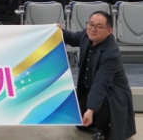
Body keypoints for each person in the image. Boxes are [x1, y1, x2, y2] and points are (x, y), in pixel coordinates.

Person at [58, 12, 136, 140]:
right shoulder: (86, 35)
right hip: (90, 89)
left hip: (112, 92)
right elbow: (72, 37)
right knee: (81, 123)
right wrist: (58, 31)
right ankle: (94, 117)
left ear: (109, 30)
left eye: (99, 27)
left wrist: (90, 110)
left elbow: (101, 83)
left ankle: (103, 130)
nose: (93, 29)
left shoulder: (111, 54)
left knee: (102, 99)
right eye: (90, 24)